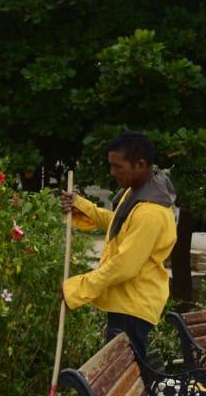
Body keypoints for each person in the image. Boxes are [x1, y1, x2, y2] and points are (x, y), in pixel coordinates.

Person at [60, 130, 177, 363]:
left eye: (118, 166)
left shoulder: (150, 212)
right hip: (127, 302)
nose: (112, 172)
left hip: (133, 306)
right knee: (124, 375)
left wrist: (76, 288)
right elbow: (117, 224)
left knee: (120, 374)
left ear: (140, 165)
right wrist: (81, 207)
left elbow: (124, 266)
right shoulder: (136, 194)